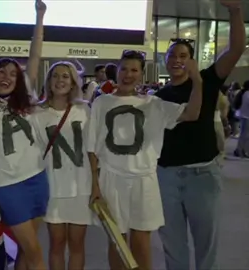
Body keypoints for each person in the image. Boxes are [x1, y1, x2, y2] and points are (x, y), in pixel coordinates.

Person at [87, 50, 202, 270]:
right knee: (116, 240)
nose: (128, 74)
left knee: (141, 242)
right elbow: (92, 147)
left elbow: (192, 113)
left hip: (144, 179)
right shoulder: (102, 103)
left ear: (141, 74)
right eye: (124, 69)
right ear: (117, 71)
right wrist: (94, 185)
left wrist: (197, 80)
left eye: (134, 70)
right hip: (112, 178)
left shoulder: (155, 104)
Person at [155, 1, 246, 269]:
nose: (177, 60)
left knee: (206, 243)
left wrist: (235, 11)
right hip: (167, 177)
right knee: (173, 244)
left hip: (202, 175)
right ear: (165, 60)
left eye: (183, 55)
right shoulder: (158, 97)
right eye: (172, 56)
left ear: (192, 60)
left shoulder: (208, 79)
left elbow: (236, 49)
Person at [0, 2, 47, 269]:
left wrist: (40, 17)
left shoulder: (24, 101)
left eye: (13, 73)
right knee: (35, 251)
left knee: (27, 250)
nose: (7, 76)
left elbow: (35, 56)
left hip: (38, 179)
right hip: (8, 185)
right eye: (1, 72)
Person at [32, 61, 94, 270]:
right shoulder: (37, 113)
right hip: (53, 187)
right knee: (56, 244)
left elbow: (93, 150)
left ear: (73, 81)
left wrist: (96, 184)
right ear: (48, 81)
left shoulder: (84, 109)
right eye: (55, 76)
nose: (60, 80)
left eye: (66, 76)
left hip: (80, 187)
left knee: (77, 244)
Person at [233, 80, 249, 157]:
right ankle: (241, 151)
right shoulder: (247, 94)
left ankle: (241, 150)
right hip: (247, 117)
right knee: (245, 136)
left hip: (244, 117)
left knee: (244, 135)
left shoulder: (244, 93)